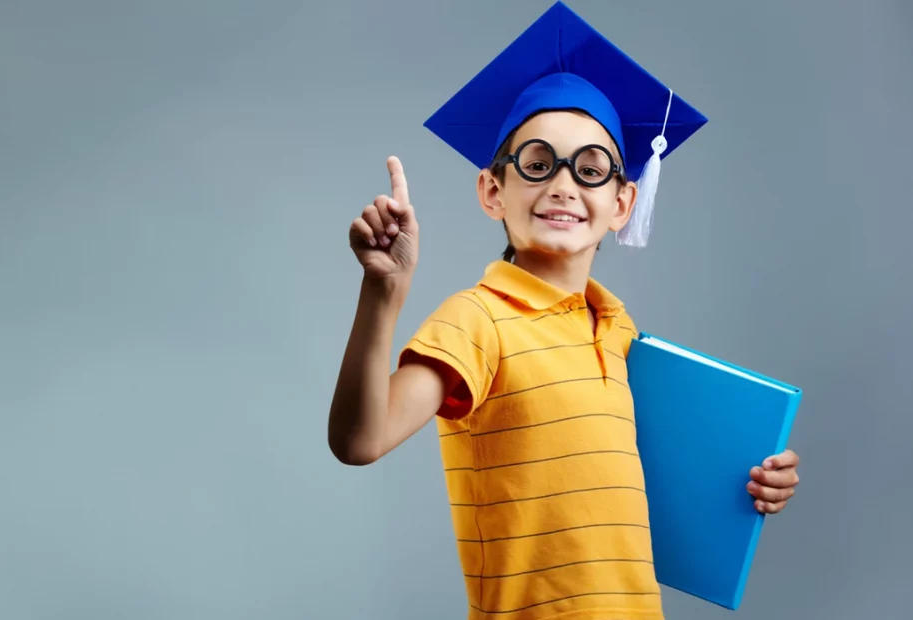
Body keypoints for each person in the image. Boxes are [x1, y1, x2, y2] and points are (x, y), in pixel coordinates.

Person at [327, 3, 800, 619]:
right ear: (493, 190)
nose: (563, 185)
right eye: (537, 163)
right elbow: (360, 440)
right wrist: (383, 292)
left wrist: (751, 484)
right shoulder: (477, 320)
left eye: (591, 170)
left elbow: (636, 490)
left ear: (622, 203)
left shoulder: (621, 335)